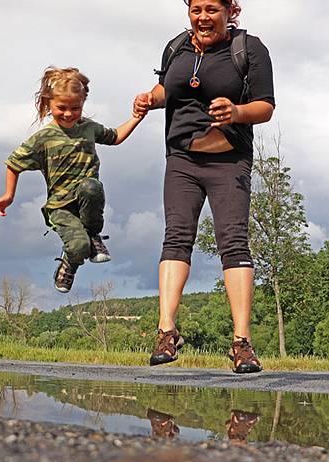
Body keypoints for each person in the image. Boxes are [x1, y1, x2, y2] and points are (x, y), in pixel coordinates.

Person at [133, 0, 275, 373]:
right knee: (176, 237)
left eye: (211, 9)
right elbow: (167, 88)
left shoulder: (248, 49)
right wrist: (151, 98)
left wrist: (237, 111)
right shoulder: (177, 46)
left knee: (234, 242)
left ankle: (241, 342)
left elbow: (266, 106)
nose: (202, 17)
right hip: (182, 160)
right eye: (196, 9)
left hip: (229, 160)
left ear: (230, 10)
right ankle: (166, 331)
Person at [0, 67, 143, 293]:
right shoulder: (44, 138)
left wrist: (137, 117)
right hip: (60, 207)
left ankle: (93, 234)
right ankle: (71, 260)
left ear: (83, 104)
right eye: (61, 108)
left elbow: (115, 136)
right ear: (48, 104)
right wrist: (8, 195)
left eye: (75, 108)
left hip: (85, 199)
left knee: (91, 186)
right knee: (79, 247)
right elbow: (14, 163)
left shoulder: (89, 128)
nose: (69, 114)